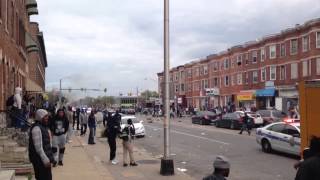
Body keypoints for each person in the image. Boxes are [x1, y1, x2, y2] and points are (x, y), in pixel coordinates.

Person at [29, 109, 55, 180]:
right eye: (45, 116)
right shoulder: (37, 128)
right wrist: (46, 160)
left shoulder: (43, 127)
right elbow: (38, 148)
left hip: (44, 160)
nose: (47, 118)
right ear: (40, 117)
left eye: (47, 116)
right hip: (40, 162)